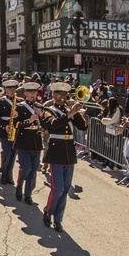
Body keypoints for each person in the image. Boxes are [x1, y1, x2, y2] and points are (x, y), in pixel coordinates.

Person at [40, 82, 88, 232]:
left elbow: (83, 127)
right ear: (53, 95)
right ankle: (48, 210)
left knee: (66, 189)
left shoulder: (69, 110)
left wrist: (77, 112)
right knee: (57, 187)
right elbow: (52, 125)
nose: (62, 97)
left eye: (64, 94)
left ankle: (58, 219)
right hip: (56, 152)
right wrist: (70, 114)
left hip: (69, 153)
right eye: (59, 94)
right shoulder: (48, 110)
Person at [12, 82, 44, 204]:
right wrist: (29, 121)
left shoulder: (39, 107)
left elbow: (44, 125)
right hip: (24, 141)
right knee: (26, 168)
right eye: (30, 92)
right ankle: (19, 186)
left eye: (35, 92)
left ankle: (28, 194)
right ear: (25, 93)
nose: (32, 94)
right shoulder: (19, 107)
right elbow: (16, 124)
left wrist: (41, 117)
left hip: (35, 141)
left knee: (33, 170)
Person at [0, 79, 18, 185]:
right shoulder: (0, 101)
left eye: (14, 88)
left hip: (16, 131)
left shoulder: (19, 101)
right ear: (5, 89)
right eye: (10, 88)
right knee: (7, 153)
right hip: (4, 131)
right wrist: (5, 126)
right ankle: (4, 174)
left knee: (13, 154)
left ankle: (9, 175)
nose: (12, 90)